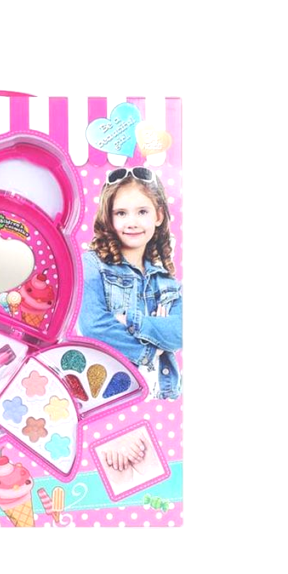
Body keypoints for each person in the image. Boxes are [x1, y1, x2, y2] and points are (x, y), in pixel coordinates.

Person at [78, 167, 183, 400]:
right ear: (109, 218)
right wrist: (153, 347)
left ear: (158, 216)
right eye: (121, 213)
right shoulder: (91, 264)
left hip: (161, 394)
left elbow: (179, 332)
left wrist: (130, 320)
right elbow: (93, 327)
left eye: (142, 212)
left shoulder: (167, 280)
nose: (132, 222)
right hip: (111, 394)